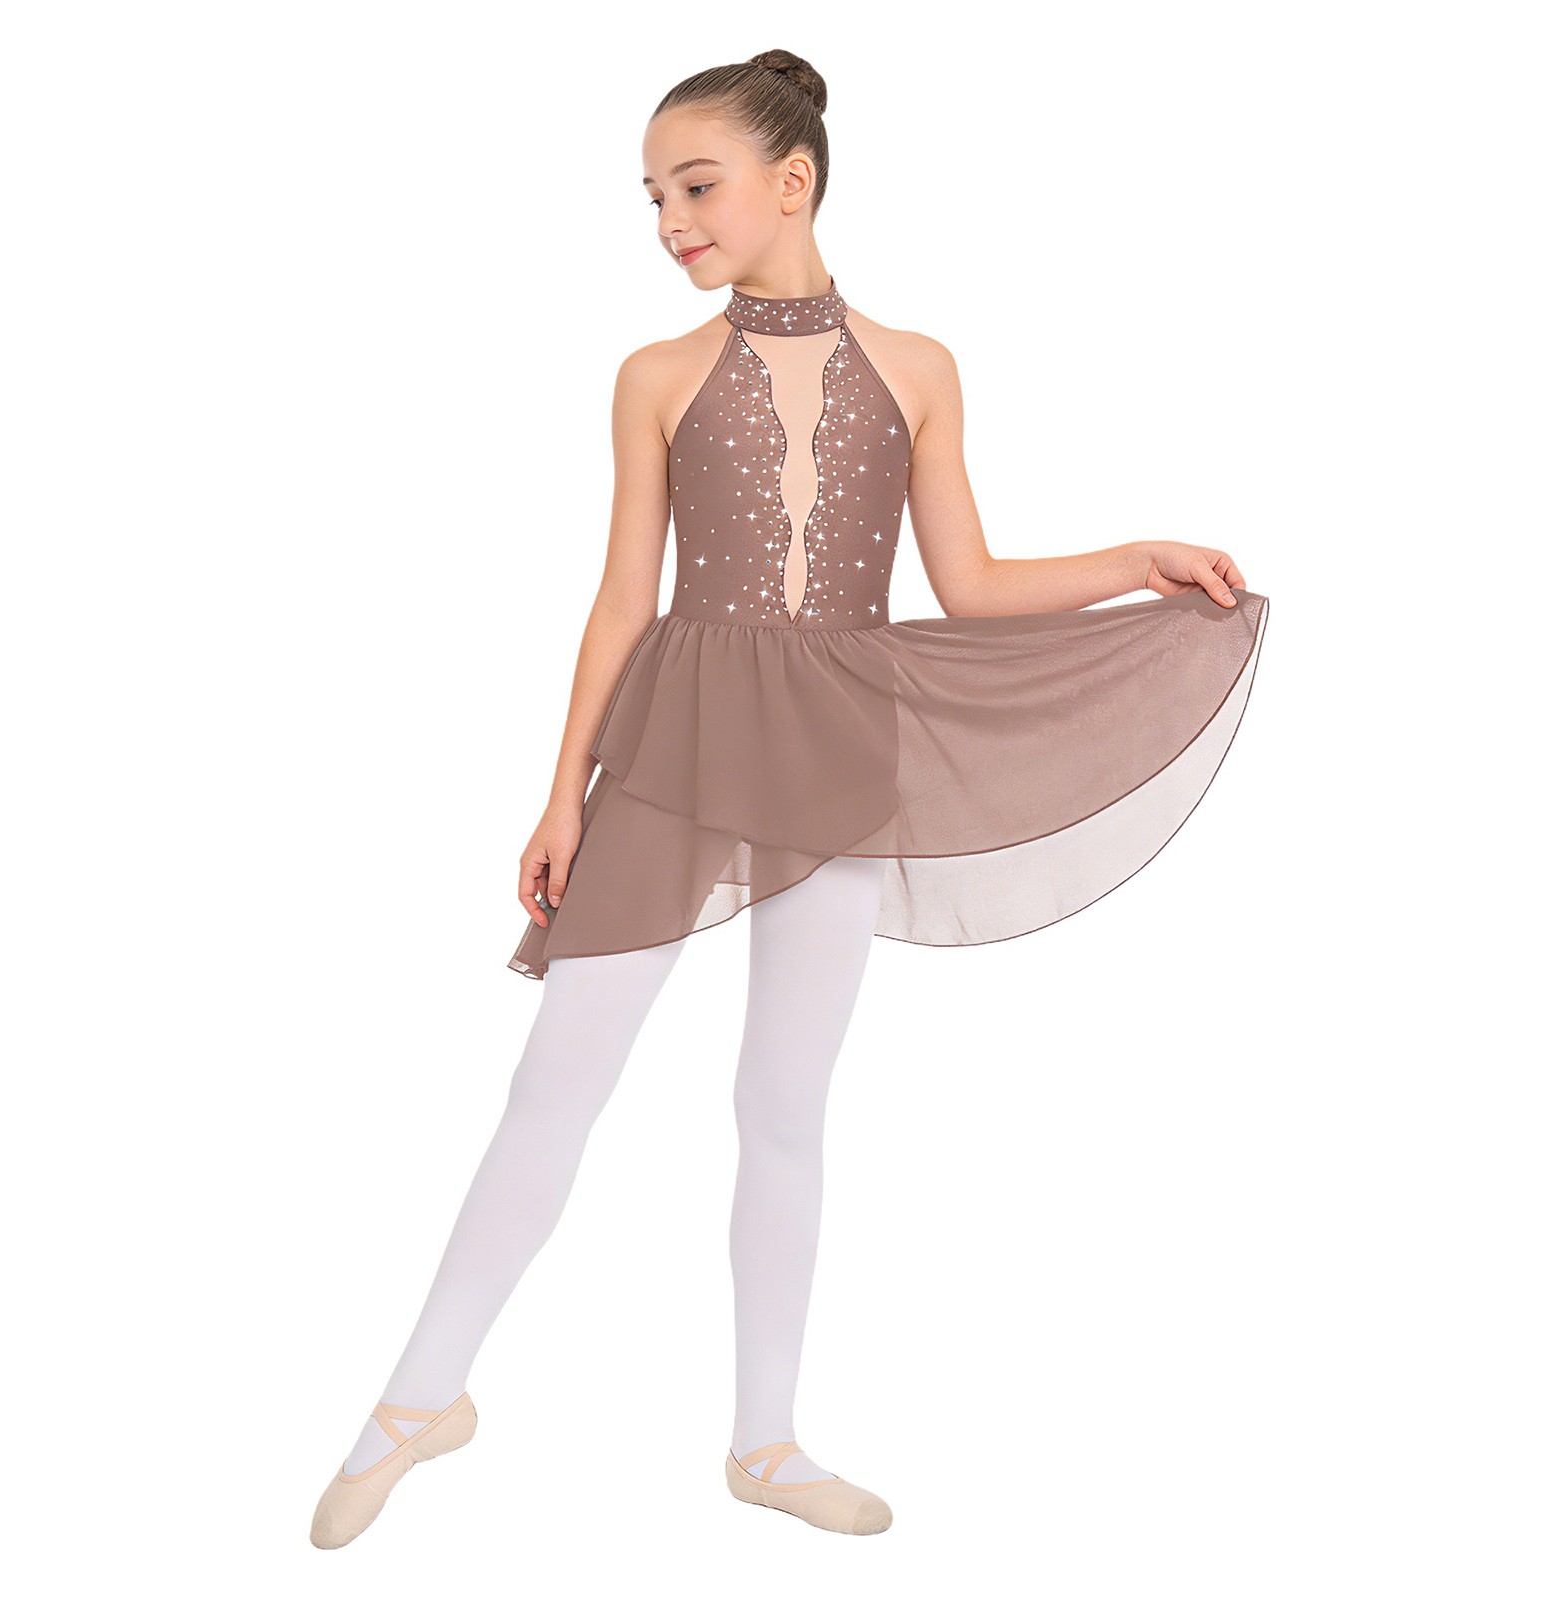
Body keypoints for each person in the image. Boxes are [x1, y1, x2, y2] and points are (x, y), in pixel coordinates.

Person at [311, 47, 1270, 1548]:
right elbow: (622, 598)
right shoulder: (655, 376)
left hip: (837, 743)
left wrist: (1135, 560)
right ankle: (418, 1399)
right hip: (680, 740)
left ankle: (767, 1441)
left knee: (783, 1101)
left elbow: (969, 583)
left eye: (695, 188)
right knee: (559, 1078)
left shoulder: (920, 367)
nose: (669, 222)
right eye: (652, 198)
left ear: (792, 181)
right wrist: (561, 795)